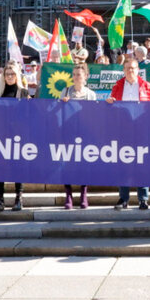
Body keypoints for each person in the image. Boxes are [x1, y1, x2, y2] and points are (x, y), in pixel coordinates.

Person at [106, 57, 150, 210]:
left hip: (142, 130)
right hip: (123, 130)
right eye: (127, 68)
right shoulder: (117, 86)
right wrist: (110, 102)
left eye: (133, 68)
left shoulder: (147, 86)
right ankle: (123, 198)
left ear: (138, 70)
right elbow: (112, 105)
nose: (130, 71)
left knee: (142, 163)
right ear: (123, 70)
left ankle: (143, 198)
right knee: (123, 164)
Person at [60, 62, 97, 209]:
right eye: (74, 74)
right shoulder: (66, 91)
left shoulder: (91, 94)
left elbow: (94, 116)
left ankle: (83, 193)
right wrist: (62, 103)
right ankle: (68, 194)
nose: (76, 77)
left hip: (85, 133)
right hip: (68, 132)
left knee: (84, 164)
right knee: (67, 163)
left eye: (79, 75)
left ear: (85, 76)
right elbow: (58, 111)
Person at [0, 64, 30, 211]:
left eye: (12, 74)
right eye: (7, 74)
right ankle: (0, 200)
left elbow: (30, 114)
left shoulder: (23, 92)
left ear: (17, 76)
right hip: (0, 135)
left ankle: (18, 198)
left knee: (18, 167)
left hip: (18, 136)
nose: (9, 77)